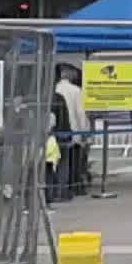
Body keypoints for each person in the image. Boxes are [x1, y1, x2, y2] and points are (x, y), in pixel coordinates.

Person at [54, 64, 89, 196]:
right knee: (73, 163)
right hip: (74, 131)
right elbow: (80, 113)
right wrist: (85, 131)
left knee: (57, 162)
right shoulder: (76, 90)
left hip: (57, 131)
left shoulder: (54, 89)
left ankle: (59, 188)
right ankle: (74, 187)